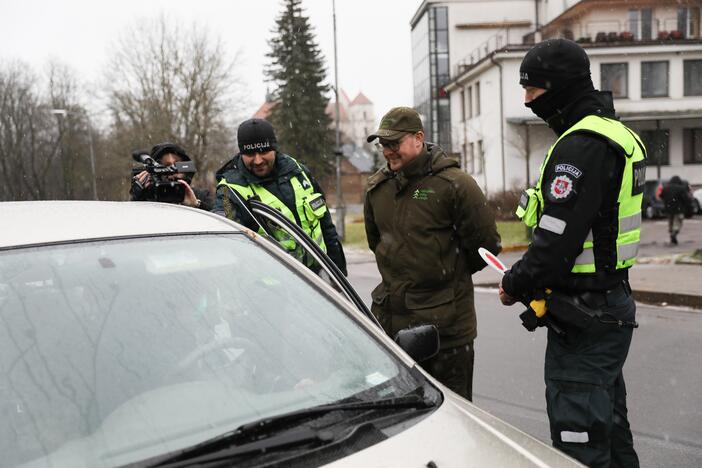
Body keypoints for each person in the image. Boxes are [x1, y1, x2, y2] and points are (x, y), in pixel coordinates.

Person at [498, 39, 643, 467]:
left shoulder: (580, 146)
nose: (527, 102)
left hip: (585, 317)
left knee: (579, 443)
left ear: (559, 87)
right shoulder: (618, 135)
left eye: (533, 90)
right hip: (608, 304)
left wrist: (513, 282)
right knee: (611, 435)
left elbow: (555, 244)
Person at [364, 106, 501, 401]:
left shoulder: (455, 185)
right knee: (405, 421)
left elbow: (485, 245)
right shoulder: (377, 188)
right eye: (383, 145)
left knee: (454, 418)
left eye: (394, 143)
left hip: (446, 333)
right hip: (394, 331)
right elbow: (378, 243)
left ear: (418, 138)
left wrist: (443, 275)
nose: (388, 151)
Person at [214, 118, 347, 275]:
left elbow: (326, 226)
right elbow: (229, 241)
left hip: (317, 281)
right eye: (250, 153)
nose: (258, 160)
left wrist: (338, 275)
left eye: (263, 151)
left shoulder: (299, 172)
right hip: (270, 289)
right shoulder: (229, 190)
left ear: (274, 148)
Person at [130, 142, 213, 210]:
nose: (173, 170)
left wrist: (196, 204)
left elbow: (218, 221)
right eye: (166, 165)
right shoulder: (148, 197)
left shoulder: (201, 195)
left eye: (178, 164)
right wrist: (138, 198)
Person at [660, 175, 693, 245]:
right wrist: (689, 205)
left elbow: (661, 196)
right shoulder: (681, 188)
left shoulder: (666, 188)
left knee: (670, 222)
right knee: (678, 222)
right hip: (679, 209)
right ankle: (674, 234)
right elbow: (686, 199)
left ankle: (672, 234)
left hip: (668, 209)